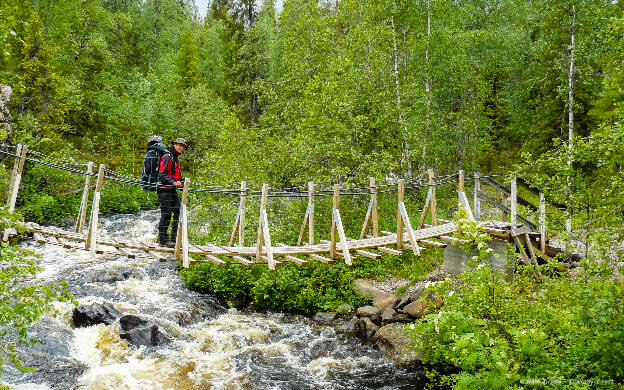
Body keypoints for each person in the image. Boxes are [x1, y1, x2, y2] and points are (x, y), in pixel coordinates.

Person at [157, 137, 188, 247]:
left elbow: (175, 175)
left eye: (183, 146)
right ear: (174, 145)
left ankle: (174, 239)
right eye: (179, 145)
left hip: (171, 189)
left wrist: (181, 182)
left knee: (178, 213)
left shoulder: (175, 158)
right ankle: (163, 240)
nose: (181, 148)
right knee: (166, 214)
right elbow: (162, 175)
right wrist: (174, 182)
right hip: (164, 190)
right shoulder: (167, 156)